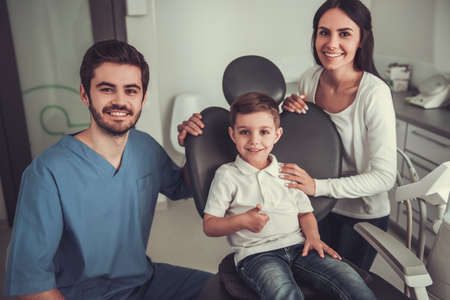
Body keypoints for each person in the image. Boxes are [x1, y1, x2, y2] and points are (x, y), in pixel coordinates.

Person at [4, 40, 211, 300]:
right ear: (84, 93)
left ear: (143, 98)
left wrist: (196, 148)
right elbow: (32, 285)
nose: (120, 101)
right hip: (82, 295)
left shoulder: (144, 147)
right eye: (106, 89)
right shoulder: (46, 174)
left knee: (224, 290)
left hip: (143, 281)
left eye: (131, 91)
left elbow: (182, 187)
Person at [201, 92, 376, 300]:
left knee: (348, 277)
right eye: (245, 132)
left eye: (264, 132)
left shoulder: (287, 171)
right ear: (233, 135)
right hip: (257, 255)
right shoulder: (227, 175)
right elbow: (210, 225)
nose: (254, 140)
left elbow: (305, 214)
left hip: (300, 246)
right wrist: (241, 221)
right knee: (283, 292)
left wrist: (313, 237)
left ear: (277, 135)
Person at [281, 0, 397, 271]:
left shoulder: (374, 93)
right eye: (324, 32)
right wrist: (288, 114)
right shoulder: (309, 79)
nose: (331, 43)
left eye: (344, 33)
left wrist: (318, 187)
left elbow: (384, 177)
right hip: (313, 208)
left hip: (360, 217)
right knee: (308, 280)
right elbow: (307, 145)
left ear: (361, 40)